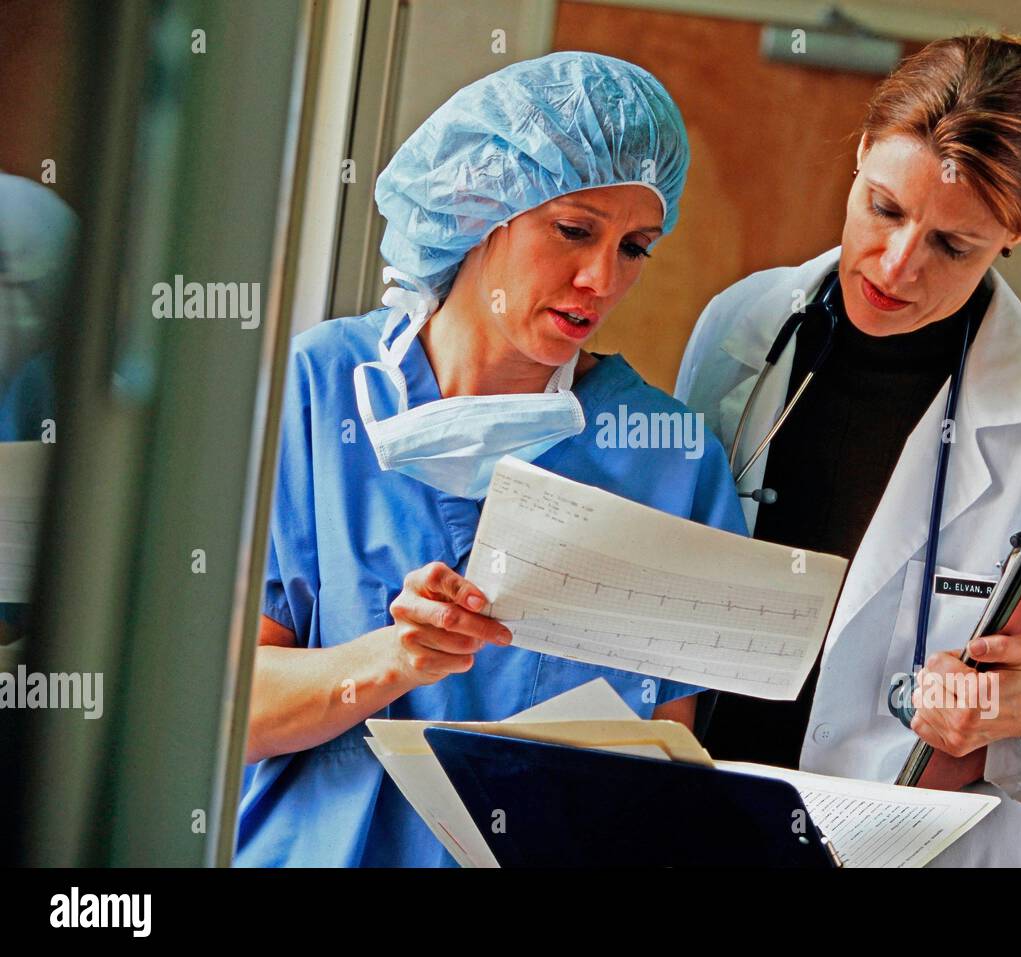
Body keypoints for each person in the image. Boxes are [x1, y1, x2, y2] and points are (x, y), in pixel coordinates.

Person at [674, 33, 1021, 866]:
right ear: (858, 156)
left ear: (1016, 234)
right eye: (884, 208)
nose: (896, 265)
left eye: (953, 246)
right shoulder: (738, 327)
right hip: (708, 819)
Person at [236, 51, 747, 867]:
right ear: (481, 204)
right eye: (575, 230)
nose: (600, 279)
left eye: (635, 247)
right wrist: (393, 658)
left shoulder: (671, 461)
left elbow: (660, 773)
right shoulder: (323, 390)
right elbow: (226, 715)